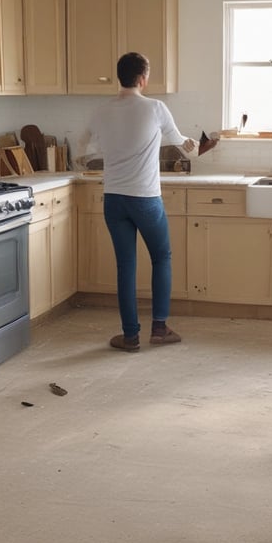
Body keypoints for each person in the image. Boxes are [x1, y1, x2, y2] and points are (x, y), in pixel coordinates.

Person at [87, 52, 198, 352]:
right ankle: (159, 329)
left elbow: (88, 148)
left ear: (119, 77)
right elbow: (181, 142)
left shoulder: (101, 111)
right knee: (161, 257)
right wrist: (199, 145)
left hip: (114, 199)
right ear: (142, 79)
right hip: (145, 198)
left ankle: (130, 336)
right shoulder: (156, 108)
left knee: (126, 266)